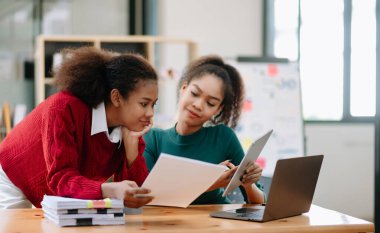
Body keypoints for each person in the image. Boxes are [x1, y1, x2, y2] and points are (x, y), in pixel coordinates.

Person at [0, 47, 158, 209]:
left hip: (55, 194)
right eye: (144, 104)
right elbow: (60, 179)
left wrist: (132, 152)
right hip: (13, 178)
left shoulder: (129, 129)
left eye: (153, 104)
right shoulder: (63, 108)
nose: (150, 113)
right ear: (116, 97)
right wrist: (108, 190)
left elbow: (135, 196)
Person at [143, 55, 265, 204]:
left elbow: (259, 204)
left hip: (217, 224)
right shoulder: (152, 138)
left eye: (210, 103)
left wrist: (249, 185)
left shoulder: (223, 137)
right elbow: (146, 197)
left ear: (218, 109)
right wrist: (212, 182)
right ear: (183, 89)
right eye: (194, 93)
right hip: (169, 226)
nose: (198, 105)